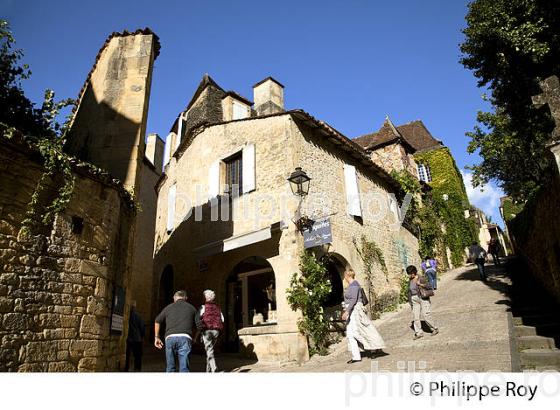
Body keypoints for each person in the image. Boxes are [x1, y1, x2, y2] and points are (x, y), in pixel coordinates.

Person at [341, 269, 385, 364]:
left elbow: (353, 300)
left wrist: (347, 312)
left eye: (345, 275)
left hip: (355, 311)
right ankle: (356, 356)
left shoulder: (354, 285)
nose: (344, 277)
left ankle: (374, 347)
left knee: (359, 332)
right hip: (351, 311)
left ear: (347, 276)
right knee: (350, 334)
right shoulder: (351, 286)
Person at [154, 290, 198, 372]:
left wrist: (157, 337)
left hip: (170, 338)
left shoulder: (168, 307)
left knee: (170, 368)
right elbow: (199, 325)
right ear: (186, 298)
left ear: (174, 298)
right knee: (184, 368)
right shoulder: (192, 308)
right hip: (185, 338)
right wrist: (194, 338)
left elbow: (157, 320)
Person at [195, 289, 224, 373]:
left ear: (205, 297)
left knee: (209, 350)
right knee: (210, 350)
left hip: (207, 330)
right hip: (216, 331)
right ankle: (208, 370)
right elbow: (222, 319)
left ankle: (214, 367)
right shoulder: (218, 308)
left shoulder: (203, 307)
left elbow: (197, 319)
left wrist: (200, 329)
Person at [407, 265, 439, 340]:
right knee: (416, 317)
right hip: (414, 300)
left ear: (414, 272)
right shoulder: (410, 280)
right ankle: (419, 333)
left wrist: (420, 284)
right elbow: (409, 291)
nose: (410, 275)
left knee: (426, 315)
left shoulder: (421, 278)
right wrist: (410, 301)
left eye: (411, 273)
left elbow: (429, 286)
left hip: (422, 298)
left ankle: (434, 328)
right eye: (409, 273)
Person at [125, 301, 145, 372]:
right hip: (137, 338)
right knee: (138, 356)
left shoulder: (127, 315)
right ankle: (137, 368)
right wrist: (142, 336)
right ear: (135, 307)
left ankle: (126, 368)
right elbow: (142, 327)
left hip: (128, 338)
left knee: (127, 355)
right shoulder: (138, 316)